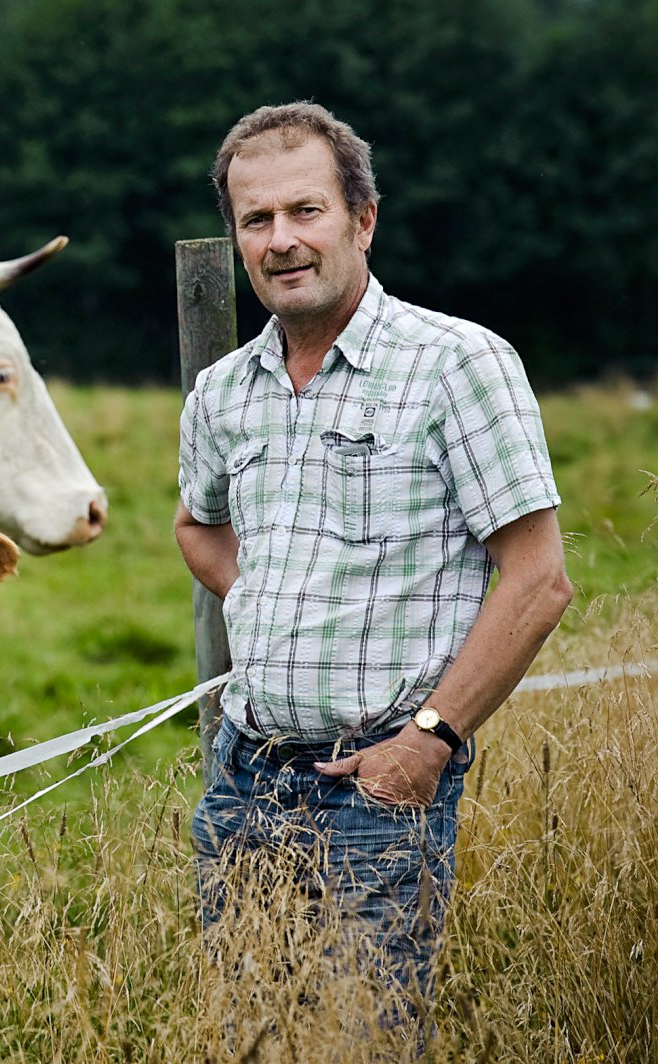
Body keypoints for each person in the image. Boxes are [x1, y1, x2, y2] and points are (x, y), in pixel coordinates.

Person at [175, 101, 573, 1046]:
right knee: (248, 1037)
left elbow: (538, 579)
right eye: (257, 220)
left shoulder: (456, 365)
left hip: (378, 783)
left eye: (305, 211)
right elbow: (197, 526)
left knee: (365, 1040)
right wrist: (280, 603)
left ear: (362, 219)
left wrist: (429, 739)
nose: (281, 240)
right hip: (244, 779)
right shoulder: (223, 391)